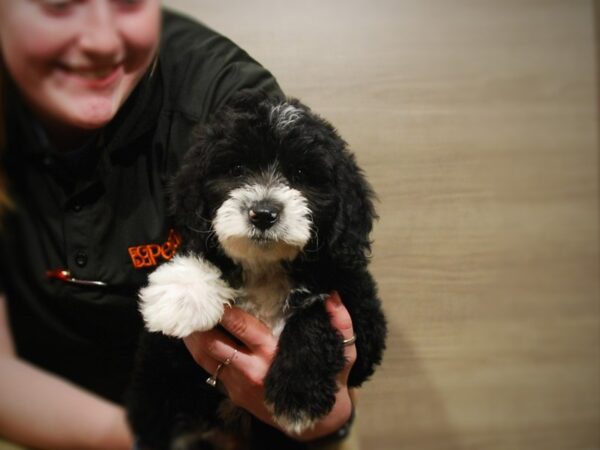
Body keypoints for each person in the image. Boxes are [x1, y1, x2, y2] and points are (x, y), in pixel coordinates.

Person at [0, 1, 358, 449]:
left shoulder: (230, 102)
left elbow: (319, 298)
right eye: (58, 6)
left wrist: (326, 415)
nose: (101, 40)